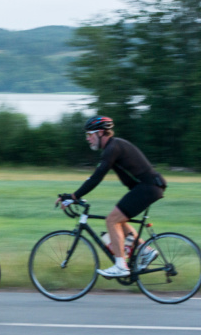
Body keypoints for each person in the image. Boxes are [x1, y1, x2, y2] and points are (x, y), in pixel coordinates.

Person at [57, 116, 165, 278]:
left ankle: (121, 266)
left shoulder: (112, 148)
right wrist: (73, 196)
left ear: (100, 133)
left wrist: (73, 196)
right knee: (117, 219)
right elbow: (95, 177)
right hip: (148, 187)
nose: (88, 138)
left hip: (148, 187)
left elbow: (96, 177)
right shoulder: (115, 146)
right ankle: (145, 251)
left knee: (111, 220)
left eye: (90, 134)